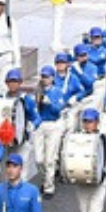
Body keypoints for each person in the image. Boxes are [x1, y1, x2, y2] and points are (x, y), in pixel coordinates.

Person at [34, 65, 66, 198]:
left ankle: (49, 186)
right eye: (43, 76)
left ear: (52, 78)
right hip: (41, 124)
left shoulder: (57, 91)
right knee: (38, 159)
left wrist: (49, 103)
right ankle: (45, 177)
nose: (45, 79)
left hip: (54, 124)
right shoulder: (38, 90)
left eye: (47, 76)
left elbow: (58, 110)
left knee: (50, 158)